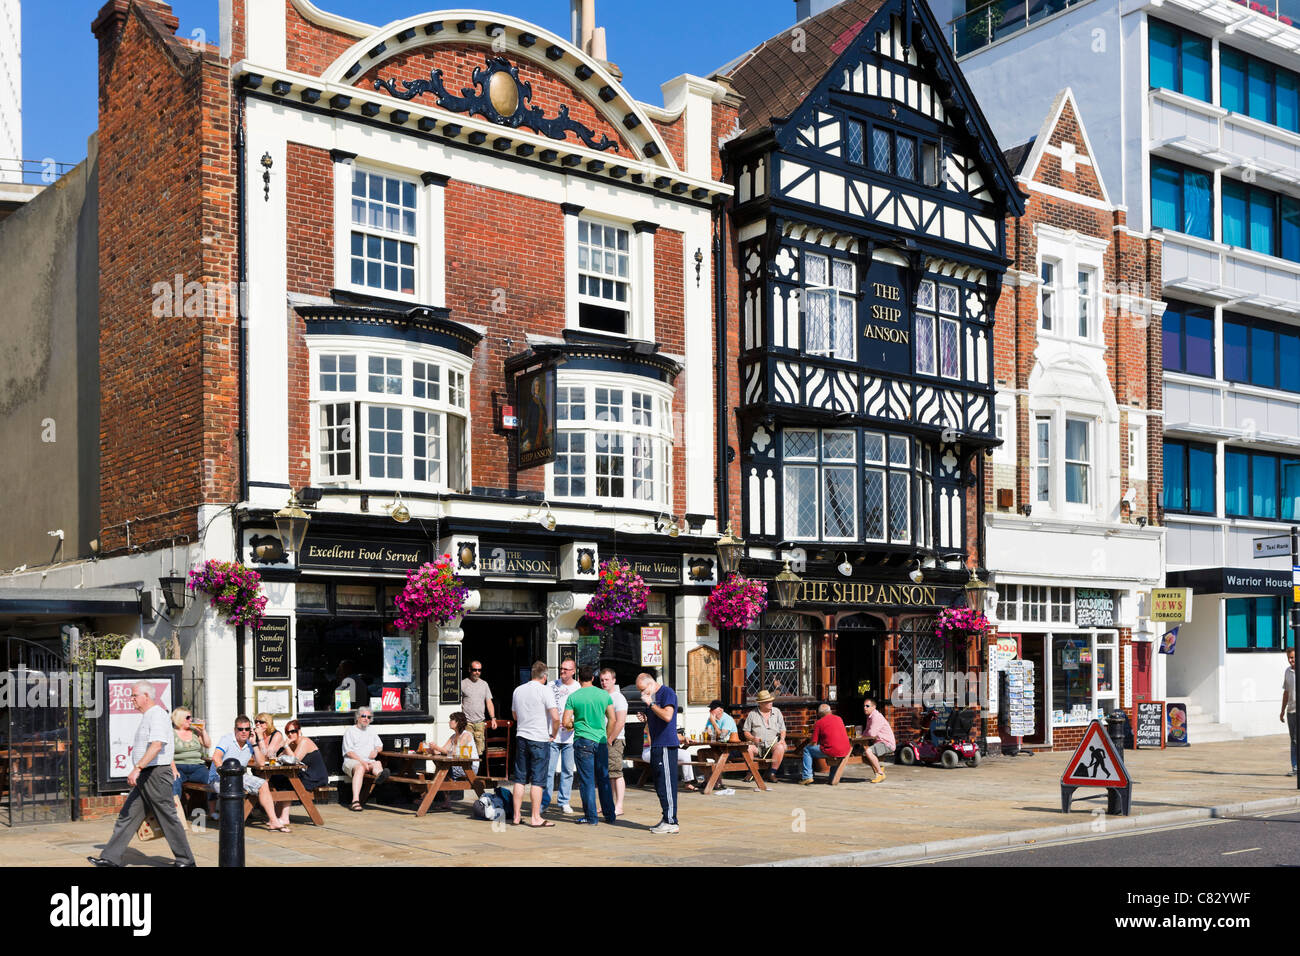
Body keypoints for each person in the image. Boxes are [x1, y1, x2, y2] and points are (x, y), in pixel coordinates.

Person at [89, 681, 196, 867]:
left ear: (146, 696)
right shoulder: (149, 715)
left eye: (134, 695)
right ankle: (110, 858)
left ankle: (186, 861)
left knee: (168, 816)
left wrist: (138, 767)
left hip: (154, 774)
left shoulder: (157, 715)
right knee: (128, 815)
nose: (131, 699)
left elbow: (157, 744)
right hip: (147, 774)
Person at [207, 715, 285, 829]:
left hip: (240, 775)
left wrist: (254, 743)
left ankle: (273, 821)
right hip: (219, 777)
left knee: (264, 784)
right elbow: (216, 757)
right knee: (232, 788)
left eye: (247, 729)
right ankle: (230, 824)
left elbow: (261, 763)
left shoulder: (250, 743)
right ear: (235, 730)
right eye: (240, 729)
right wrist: (226, 775)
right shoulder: (227, 739)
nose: (244, 732)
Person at [564, 666, 616, 825]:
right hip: (600, 741)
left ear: (579, 679)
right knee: (604, 779)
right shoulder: (604, 695)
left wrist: (574, 725)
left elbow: (565, 722)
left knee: (587, 781)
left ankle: (591, 817)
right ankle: (610, 815)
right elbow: (613, 719)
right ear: (593, 678)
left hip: (582, 741)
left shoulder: (573, 697)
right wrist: (606, 737)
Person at [511, 660, 560, 827]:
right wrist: (553, 734)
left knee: (519, 779)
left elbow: (515, 716)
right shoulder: (545, 691)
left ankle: (516, 816)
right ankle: (535, 817)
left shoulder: (518, 690)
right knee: (538, 780)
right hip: (539, 738)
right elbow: (555, 717)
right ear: (544, 676)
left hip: (522, 736)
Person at [637, 670, 680, 834]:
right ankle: (666, 817)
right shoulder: (651, 698)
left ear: (650, 684)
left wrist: (651, 704)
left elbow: (668, 716)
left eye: (643, 689)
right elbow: (656, 717)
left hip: (666, 744)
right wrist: (646, 717)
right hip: (655, 744)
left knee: (667, 784)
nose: (642, 693)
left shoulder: (666, 693)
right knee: (660, 784)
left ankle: (672, 821)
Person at [268, 720, 328, 831]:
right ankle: (277, 816)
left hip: (315, 777)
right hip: (305, 775)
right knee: (277, 778)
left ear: (299, 731)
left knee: (290, 782)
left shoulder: (304, 741)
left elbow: (294, 761)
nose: (290, 734)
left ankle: (284, 818)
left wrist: (286, 746)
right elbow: (278, 757)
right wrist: (280, 748)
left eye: (293, 731)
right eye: (287, 732)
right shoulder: (292, 744)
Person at [541, 658, 580, 814]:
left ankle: (564, 801)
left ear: (573, 671)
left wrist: (572, 723)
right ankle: (544, 801)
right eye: (561, 668)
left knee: (568, 770)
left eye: (566, 669)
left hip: (570, 737)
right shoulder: (551, 686)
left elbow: (580, 711)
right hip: (552, 735)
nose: (562, 671)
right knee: (549, 771)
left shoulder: (578, 688)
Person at [342, 707, 388, 812]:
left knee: (377, 763)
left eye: (369, 717)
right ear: (357, 717)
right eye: (363, 716)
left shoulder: (371, 730)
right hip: (352, 762)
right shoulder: (350, 731)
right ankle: (355, 801)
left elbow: (380, 745)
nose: (366, 719)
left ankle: (380, 776)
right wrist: (362, 762)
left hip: (368, 762)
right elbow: (349, 752)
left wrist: (376, 751)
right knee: (360, 768)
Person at [599, 668, 629, 815]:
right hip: (603, 739)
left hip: (615, 740)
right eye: (602, 680)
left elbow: (620, 721)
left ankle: (619, 805)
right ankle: (609, 804)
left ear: (614, 680)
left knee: (616, 772)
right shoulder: (602, 697)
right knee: (608, 773)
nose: (604, 683)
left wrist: (610, 738)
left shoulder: (618, 698)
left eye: (607, 679)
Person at [169, 707, 211, 813]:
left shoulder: (194, 732)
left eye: (190, 717)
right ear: (179, 719)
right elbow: (168, 754)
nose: (190, 720)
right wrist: (174, 769)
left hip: (197, 767)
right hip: (179, 767)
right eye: (188, 717)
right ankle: (177, 814)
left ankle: (213, 811)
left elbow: (208, 744)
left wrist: (203, 730)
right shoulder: (171, 734)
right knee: (175, 782)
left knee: (213, 781)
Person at [799, 703, 852, 785]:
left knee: (807, 749)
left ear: (819, 714)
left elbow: (814, 742)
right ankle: (832, 779)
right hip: (846, 750)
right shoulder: (839, 718)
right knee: (834, 751)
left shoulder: (819, 723)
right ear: (830, 711)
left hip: (832, 750)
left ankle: (807, 777)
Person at [743, 690, 787, 782]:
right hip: (757, 745)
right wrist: (752, 738)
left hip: (772, 744)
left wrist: (782, 739)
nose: (771, 703)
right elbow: (746, 731)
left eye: (771, 701)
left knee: (780, 747)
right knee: (748, 748)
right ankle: (750, 772)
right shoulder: (752, 714)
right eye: (768, 702)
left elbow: (783, 729)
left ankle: (772, 773)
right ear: (761, 703)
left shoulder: (777, 712)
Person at [460, 659, 498, 758]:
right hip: (467, 722)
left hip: (480, 723)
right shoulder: (463, 683)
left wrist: (493, 718)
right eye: (474, 670)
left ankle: (475, 773)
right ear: (469, 670)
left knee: (479, 751)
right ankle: (467, 773)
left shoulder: (484, 684)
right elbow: (458, 703)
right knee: (466, 751)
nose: (477, 672)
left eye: (479, 670)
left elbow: (489, 702)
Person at [861, 697, 894, 784]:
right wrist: (861, 736)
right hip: (879, 742)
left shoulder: (876, 717)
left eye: (867, 706)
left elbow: (872, 734)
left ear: (874, 707)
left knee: (868, 751)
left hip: (886, 743)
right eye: (864, 706)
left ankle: (880, 773)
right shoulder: (870, 717)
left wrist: (863, 736)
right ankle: (879, 767)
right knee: (864, 756)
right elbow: (866, 730)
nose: (865, 708)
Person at [1282, 647, 1296, 775]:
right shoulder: (1287, 672)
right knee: (1293, 740)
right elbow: (1286, 693)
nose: (1290, 660)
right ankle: (1295, 767)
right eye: (1289, 658)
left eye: (1292, 657)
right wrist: (1282, 711)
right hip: (1291, 711)